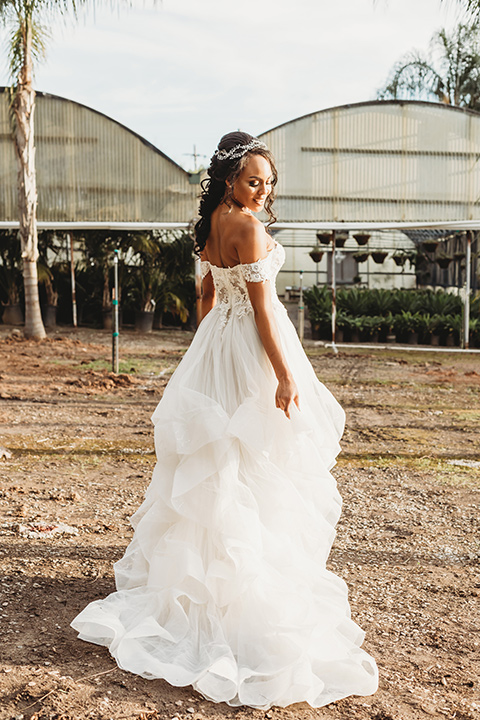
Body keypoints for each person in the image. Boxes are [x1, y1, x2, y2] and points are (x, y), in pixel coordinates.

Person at [71, 131, 379, 710]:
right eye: (253, 181)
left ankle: (198, 573)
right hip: (250, 348)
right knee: (251, 453)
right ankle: (240, 583)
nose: (262, 192)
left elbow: (207, 291)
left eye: (268, 184)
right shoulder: (249, 227)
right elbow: (262, 309)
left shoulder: (213, 221)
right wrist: (285, 375)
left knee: (218, 455)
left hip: (217, 344)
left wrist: (207, 342)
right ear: (231, 179)